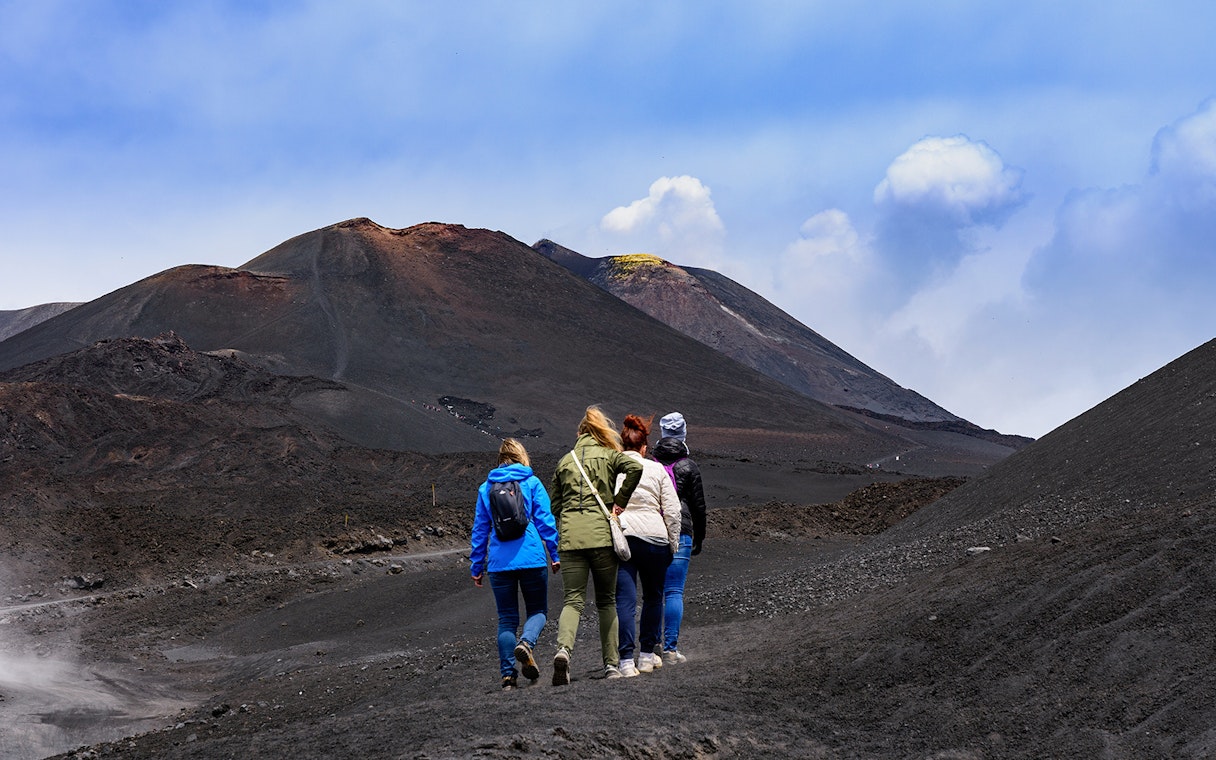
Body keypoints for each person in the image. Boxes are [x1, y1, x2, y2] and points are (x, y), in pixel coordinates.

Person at [549, 405, 644, 685]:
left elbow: (555, 504)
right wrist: (619, 502)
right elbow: (635, 466)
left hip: (570, 540)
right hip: (602, 538)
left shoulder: (565, 461)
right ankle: (612, 665)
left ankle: (564, 651)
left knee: (572, 601)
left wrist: (570, 520)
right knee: (606, 601)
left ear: (580, 433)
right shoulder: (609, 455)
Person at [469, 438, 561, 690]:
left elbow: (479, 531)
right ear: (522, 456)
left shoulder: (485, 489)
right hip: (531, 558)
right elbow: (546, 521)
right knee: (538, 611)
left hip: (499, 563)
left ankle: (508, 676)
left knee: (507, 619)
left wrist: (477, 567)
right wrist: (554, 553)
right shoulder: (531, 482)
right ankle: (527, 644)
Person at [613, 414, 681, 677]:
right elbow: (673, 510)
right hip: (656, 540)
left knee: (625, 601)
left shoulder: (614, 469)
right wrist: (672, 543)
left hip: (625, 539)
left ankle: (626, 661)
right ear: (644, 447)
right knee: (654, 597)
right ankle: (646, 655)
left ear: (622, 446)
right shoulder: (656, 470)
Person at [651, 411, 706, 665]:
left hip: (653, 531)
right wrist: (700, 537)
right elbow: (698, 506)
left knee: (654, 592)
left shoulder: (650, 464)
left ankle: (651, 647)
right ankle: (671, 649)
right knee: (674, 592)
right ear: (683, 434)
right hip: (681, 531)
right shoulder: (688, 466)